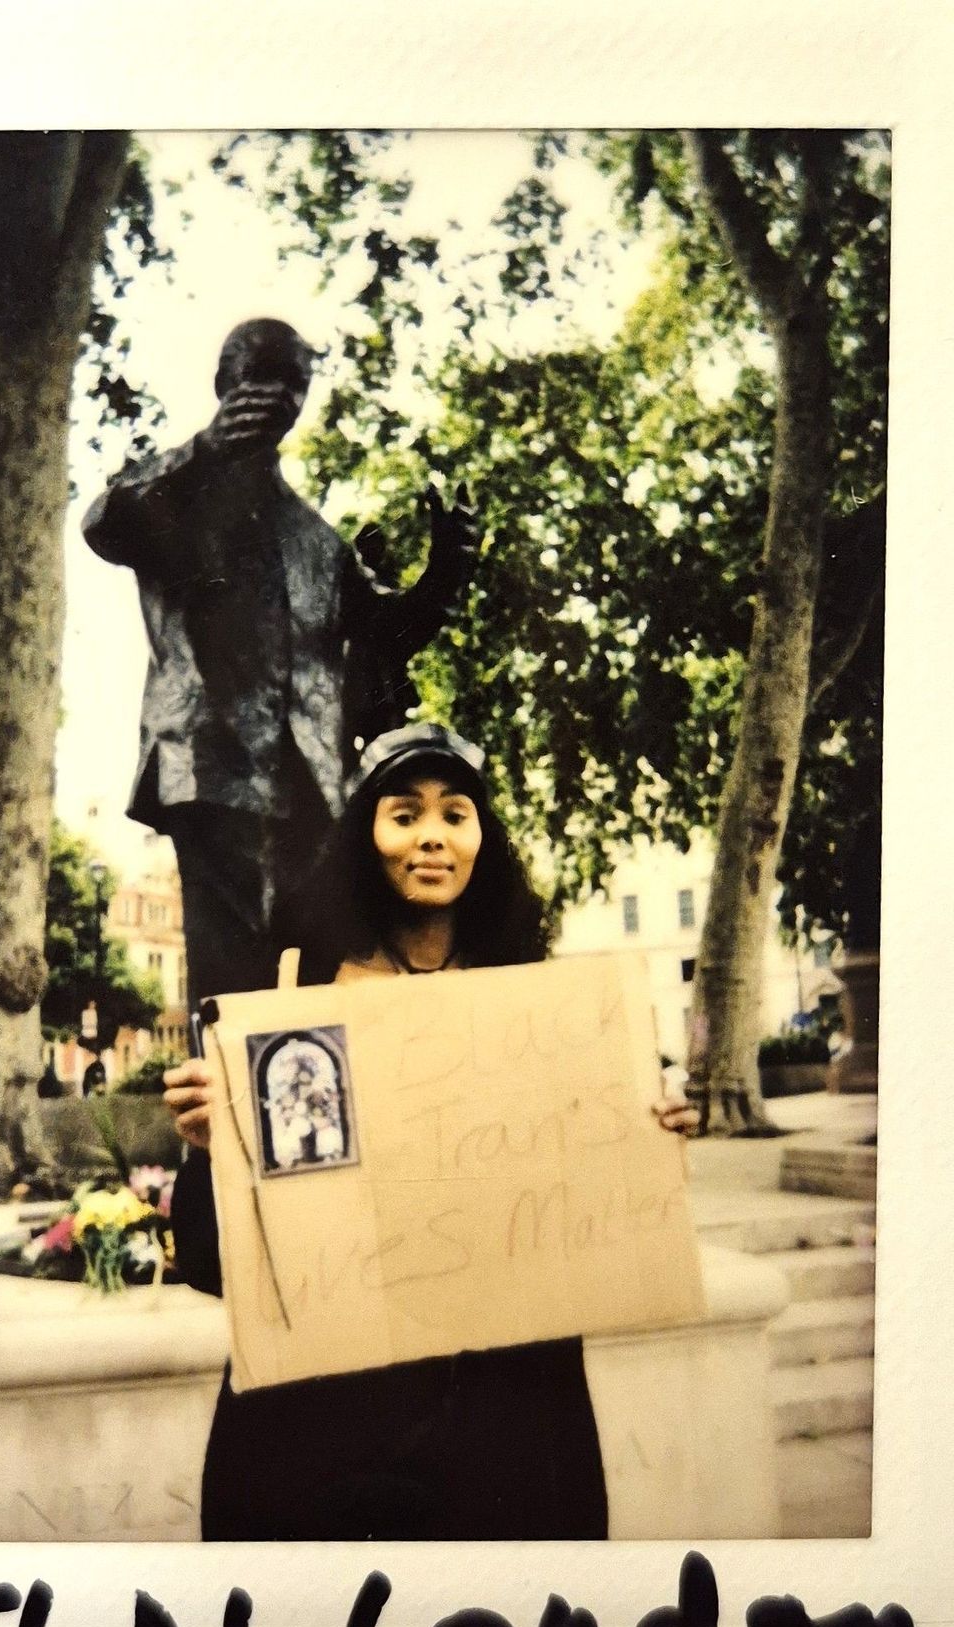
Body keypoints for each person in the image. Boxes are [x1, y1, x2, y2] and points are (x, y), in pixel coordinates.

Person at [163, 723, 697, 1542]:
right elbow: (212, 1261)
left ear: (482, 838)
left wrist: (648, 1135)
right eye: (404, 813)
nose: (432, 838)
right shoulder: (292, 1000)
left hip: (498, 1413)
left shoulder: (536, 1008)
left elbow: (587, 1213)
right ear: (365, 836)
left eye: (456, 813)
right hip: (327, 1407)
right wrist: (214, 1151)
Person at [81, 318, 476, 1009]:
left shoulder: (315, 537)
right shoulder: (182, 488)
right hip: (212, 762)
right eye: (259, 375)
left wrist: (442, 578)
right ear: (224, 384)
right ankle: (230, 1111)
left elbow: (384, 628)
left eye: (292, 380)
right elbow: (104, 522)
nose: (277, 394)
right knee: (231, 962)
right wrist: (208, 450)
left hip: (310, 778)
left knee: (315, 958)